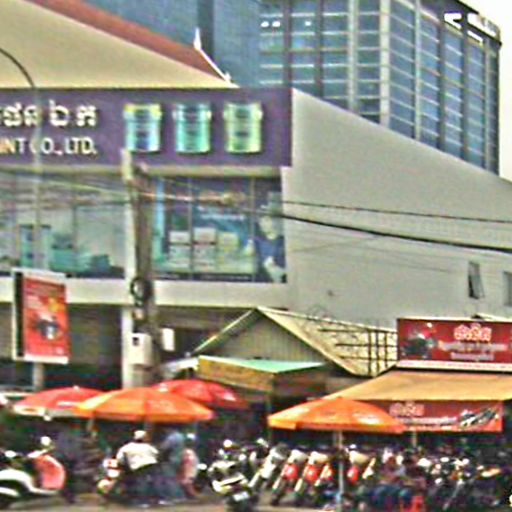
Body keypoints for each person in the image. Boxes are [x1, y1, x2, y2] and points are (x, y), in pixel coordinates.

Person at [116, 430, 159, 507]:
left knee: (141, 483)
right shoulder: (148, 446)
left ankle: (142, 501)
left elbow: (120, 458)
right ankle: (152, 499)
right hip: (151, 465)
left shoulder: (127, 447)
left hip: (138, 466)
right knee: (150, 482)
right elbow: (156, 453)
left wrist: (123, 464)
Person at [54, 422, 84, 504]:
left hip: (67, 458)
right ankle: (69, 496)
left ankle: (68, 495)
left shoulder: (71, 433)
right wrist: (72, 457)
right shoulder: (69, 434)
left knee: (69, 478)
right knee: (69, 478)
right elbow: (68, 447)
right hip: (66, 459)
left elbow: (76, 447)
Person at [158, 427, 186, 502]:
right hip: (180, 459)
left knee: (170, 479)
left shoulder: (171, 438)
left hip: (170, 460)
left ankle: (173, 497)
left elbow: (164, 448)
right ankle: (181, 496)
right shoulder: (182, 436)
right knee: (177, 479)